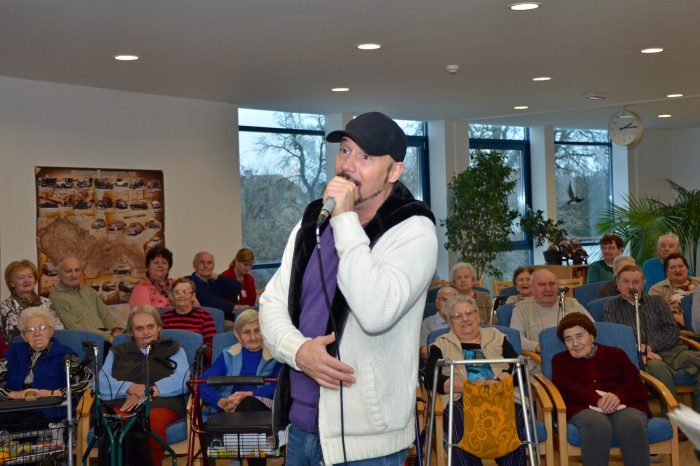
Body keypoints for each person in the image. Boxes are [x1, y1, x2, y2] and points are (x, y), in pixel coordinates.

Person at [259, 111, 437, 465]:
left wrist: (345, 220)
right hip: (301, 428)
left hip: (367, 444)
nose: (348, 166)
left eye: (365, 157)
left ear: (394, 171)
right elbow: (272, 302)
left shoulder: (414, 230)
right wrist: (298, 351)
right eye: (344, 151)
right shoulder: (312, 222)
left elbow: (375, 312)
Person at [425, 295, 525, 466]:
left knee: (511, 415)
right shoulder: (441, 344)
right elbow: (431, 377)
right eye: (457, 316)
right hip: (461, 397)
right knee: (459, 417)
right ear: (450, 322)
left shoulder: (497, 336)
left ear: (478, 316)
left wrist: (501, 379)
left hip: (501, 394)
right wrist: (467, 386)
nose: (465, 319)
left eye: (469, 313)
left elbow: (519, 368)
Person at [552, 312, 651, 466]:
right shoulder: (560, 361)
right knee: (597, 425)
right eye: (568, 339)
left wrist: (618, 396)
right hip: (582, 408)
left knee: (631, 422)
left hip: (623, 404)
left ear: (592, 335)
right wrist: (597, 400)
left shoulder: (616, 354)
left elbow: (636, 384)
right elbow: (567, 389)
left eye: (579, 336)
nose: (575, 343)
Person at [99, 305, 189, 466]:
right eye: (139, 328)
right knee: (113, 424)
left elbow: (183, 380)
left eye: (150, 326)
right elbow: (101, 383)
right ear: (131, 332)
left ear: (159, 328)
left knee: (150, 425)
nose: (146, 332)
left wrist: (149, 391)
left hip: (161, 403)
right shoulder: (117, 351)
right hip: (124, 402)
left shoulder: (173, 349)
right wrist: (131, 388)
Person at [603, 265, 700, 412]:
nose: (631, 286)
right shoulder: (611, 306)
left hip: (672, 350)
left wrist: (649, 346)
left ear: (643, 284)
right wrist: (639, 349)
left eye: (636, 282)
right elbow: (616, 337)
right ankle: (672, 419)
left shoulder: (657, 301)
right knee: (658, 369)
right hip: (642, 357)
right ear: (618, 284)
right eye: (625, 282)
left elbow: (672, 330)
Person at [0, 307, 93, 427]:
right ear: (23, 335)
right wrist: (13, 394)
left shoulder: (64, 354)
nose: (37, 333)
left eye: (42, 328)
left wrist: (55, 393)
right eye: (30, 330)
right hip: (15, 412)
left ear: (51, 331)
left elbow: (87, 380)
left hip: (51, 415)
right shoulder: (13, 354)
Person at [200, 309, 280, 413]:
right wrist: (220, 401)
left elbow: (280, 385)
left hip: (264, 408)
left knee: (248, 402)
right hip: (231, 408)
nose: (253, 337)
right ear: (238, 335)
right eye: (247, 332)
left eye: (257, 330)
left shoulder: (276, 355)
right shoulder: (228, 355)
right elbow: (202, 382)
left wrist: (248, 394)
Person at [511, 268, 593, 360]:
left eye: (552, 284)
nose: (548, 289)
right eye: (542, 285)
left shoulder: (572, 303)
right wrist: (536, 347)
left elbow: (593, 327)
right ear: (532, 288)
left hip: (579, 356)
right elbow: (515, 338)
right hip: (542, 361)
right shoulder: (521, 309)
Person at [49, 255, 124, 342]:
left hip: (105, 337)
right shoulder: (57, 297)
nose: (74, 275)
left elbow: (105, 315)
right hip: (86, 343)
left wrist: (116, 329)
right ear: (59, 274)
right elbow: (74, 328)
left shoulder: (89, 290)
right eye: (68, 271)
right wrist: (108, 336)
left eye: (77, 270)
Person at [1, 259, 63, 343]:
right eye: (21, 278)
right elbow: (12, 337)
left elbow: (58, 328)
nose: (27, 280)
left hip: (49, 345)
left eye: (30, 276)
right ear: (12, 283)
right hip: (22, 348)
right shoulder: (6, 306)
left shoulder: (46, 302)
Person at [159, 277, 217, 350]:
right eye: (177, 292)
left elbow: (211, 344)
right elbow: (159, 342)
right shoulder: (164, 318)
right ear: (172, 296)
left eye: (186, 292)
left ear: (193, 296)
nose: (181, 295)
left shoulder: (204, 316)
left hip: (195, 356)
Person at [649, 253, 699, 326]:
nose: (677, 270)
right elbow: (655, 312)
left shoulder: (698, 282)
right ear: (666, 272)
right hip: (676, 326)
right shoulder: (657, 289)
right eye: (672, 267)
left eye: (681, 266)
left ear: (687, 268)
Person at [190, 251, 242, 321]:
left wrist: (217, 276)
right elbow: (207, 299)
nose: (206, 266)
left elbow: (237, 287)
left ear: (213, 266)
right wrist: (234, 307)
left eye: (209, 263)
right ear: (194, 264)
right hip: (202, 321)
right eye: (202, 262)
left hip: (221, 319)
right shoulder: (189, 282)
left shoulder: (214, 282)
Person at [419, 286, 458, 361]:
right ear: (437, 303)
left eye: (451, 300)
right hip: (437, 364)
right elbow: (424, 352)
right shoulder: (428, 322)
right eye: (444, 300)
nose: (448, 304)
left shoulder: (462, 320)